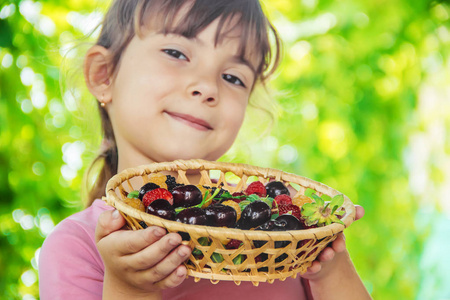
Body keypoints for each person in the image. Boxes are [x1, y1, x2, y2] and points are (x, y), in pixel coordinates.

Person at [38, 0, 372, 299]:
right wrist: (130, 289)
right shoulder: (79, 246)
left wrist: (330, 265)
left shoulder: (280, 231)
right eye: (176, 53)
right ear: (104, 74)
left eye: (233, 77)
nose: (207, 86)